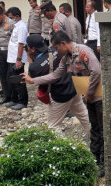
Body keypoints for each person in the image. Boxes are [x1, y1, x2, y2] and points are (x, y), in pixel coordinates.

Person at [24, 31, 102, 177]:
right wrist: (32, 81)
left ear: (63, 43)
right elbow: (55, 75)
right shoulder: (66, 57)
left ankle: (98, 161)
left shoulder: (83, 51)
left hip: (90, 96)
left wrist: (90, 92)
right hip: (81, 93)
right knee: (91, 124)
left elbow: (97, 71)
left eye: (56, 47)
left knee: (99, 128)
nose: (55, 50)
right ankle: (96, 157)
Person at [23, 33, 91, 138]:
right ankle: (97, 138)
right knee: (84, 116)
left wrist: (30, 60)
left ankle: (59, 149)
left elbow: (38, 80)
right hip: (73, 87)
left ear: (32, 49)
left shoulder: (35, 67)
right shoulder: (56, 50)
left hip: (60, 95)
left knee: (53, 126)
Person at [5, 7, 29, 110]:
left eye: (11, 17)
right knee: (12, 80)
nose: (9, 19)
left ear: (17, 16)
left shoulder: (21, 27)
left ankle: (23, 102)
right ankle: (14, 100)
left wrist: (18, 60)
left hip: (17, 59)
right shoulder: (16, 26)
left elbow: (21, 44)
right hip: (12, 58)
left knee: (19, 80)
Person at [0, 5, 15, 105]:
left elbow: (15, 39)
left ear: (2, 14)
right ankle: (6, 96)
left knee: (11, 75)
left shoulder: (11, 23)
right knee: (2, 74)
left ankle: (14, 97)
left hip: (9, 52)